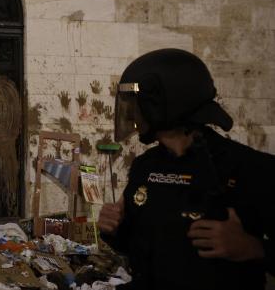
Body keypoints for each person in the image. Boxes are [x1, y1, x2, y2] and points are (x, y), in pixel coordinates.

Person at [97, 48, 274, 290]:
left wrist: (253, 247)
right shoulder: (145, 167)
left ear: (164, 102)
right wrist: (114, 229)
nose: (134, 113)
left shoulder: (250, 168)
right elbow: (138, 248)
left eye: (138, 103)